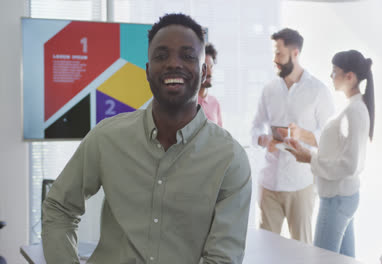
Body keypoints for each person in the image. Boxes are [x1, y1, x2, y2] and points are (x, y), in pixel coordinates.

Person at [42, 13, 252, 264]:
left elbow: (223, 259)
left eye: (187, 55)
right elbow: (58, 208)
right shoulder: (107, 137)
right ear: (148, 70)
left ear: (204, 70)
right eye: (161, 56)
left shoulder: (230, 159)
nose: (173, 64)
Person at [285, 50, 375, 257]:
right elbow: (337, 152)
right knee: (343, 259)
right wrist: (307, 152)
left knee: (323, 260)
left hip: (337, 198)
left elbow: (349, 165)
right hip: (343, 196)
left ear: (349, 77)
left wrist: (310, 158)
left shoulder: (354, 112)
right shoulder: (354, 108)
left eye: (334, 71)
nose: (331, 76)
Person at [251, 28, 334, 244]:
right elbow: (256, 127)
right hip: (269, 183)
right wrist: (263, 140)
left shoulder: (318, 91)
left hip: (301, 184)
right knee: (266, 251)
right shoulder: (269, 90)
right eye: (274, 53)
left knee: (302, 251)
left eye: (279, 53)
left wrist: (302, 134)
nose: (275, 59)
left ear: (295, 53)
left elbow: (330, 139)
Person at [198, 43, 223, 127]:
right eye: (205, 67)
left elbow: (220, 137)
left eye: (211, 67)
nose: (210, 73)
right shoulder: (187, 103)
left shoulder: (215, 103)